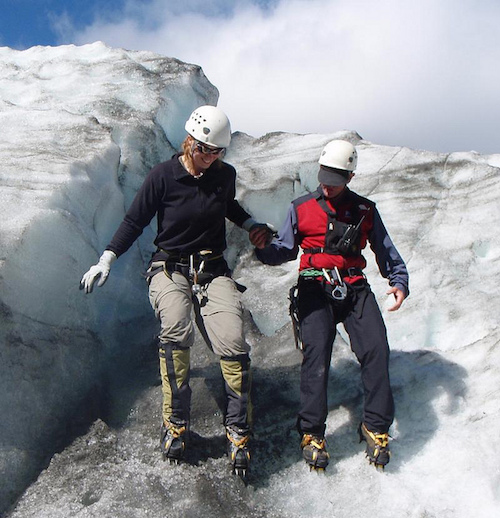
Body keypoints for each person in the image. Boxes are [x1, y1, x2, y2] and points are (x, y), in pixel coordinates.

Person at [80, 106, 273, 477]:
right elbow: (135, 220)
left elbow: (227, 205)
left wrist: (250, 224)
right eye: (206, 151)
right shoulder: (163, 176)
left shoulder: (224, 175)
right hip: (169, 267)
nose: (211, 158)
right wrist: (106, 259)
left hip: (212, 268)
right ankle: (176, 423)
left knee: (233, 342)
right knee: (177, 328)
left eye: (218, 152)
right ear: (190, 142)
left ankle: (238, 429)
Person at [256, 139, 409, 471]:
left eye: (335, 180)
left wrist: (398, 281)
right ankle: (312, 432)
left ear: (350, 178)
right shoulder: (300, 208)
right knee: (317, 356)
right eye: (324, 176)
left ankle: (376, 425)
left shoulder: (365, 210)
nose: (326, 184)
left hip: (354, 286)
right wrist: (264, 249)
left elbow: (385, 251)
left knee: (376, 350)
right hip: (314, 287)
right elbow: (284, 249)